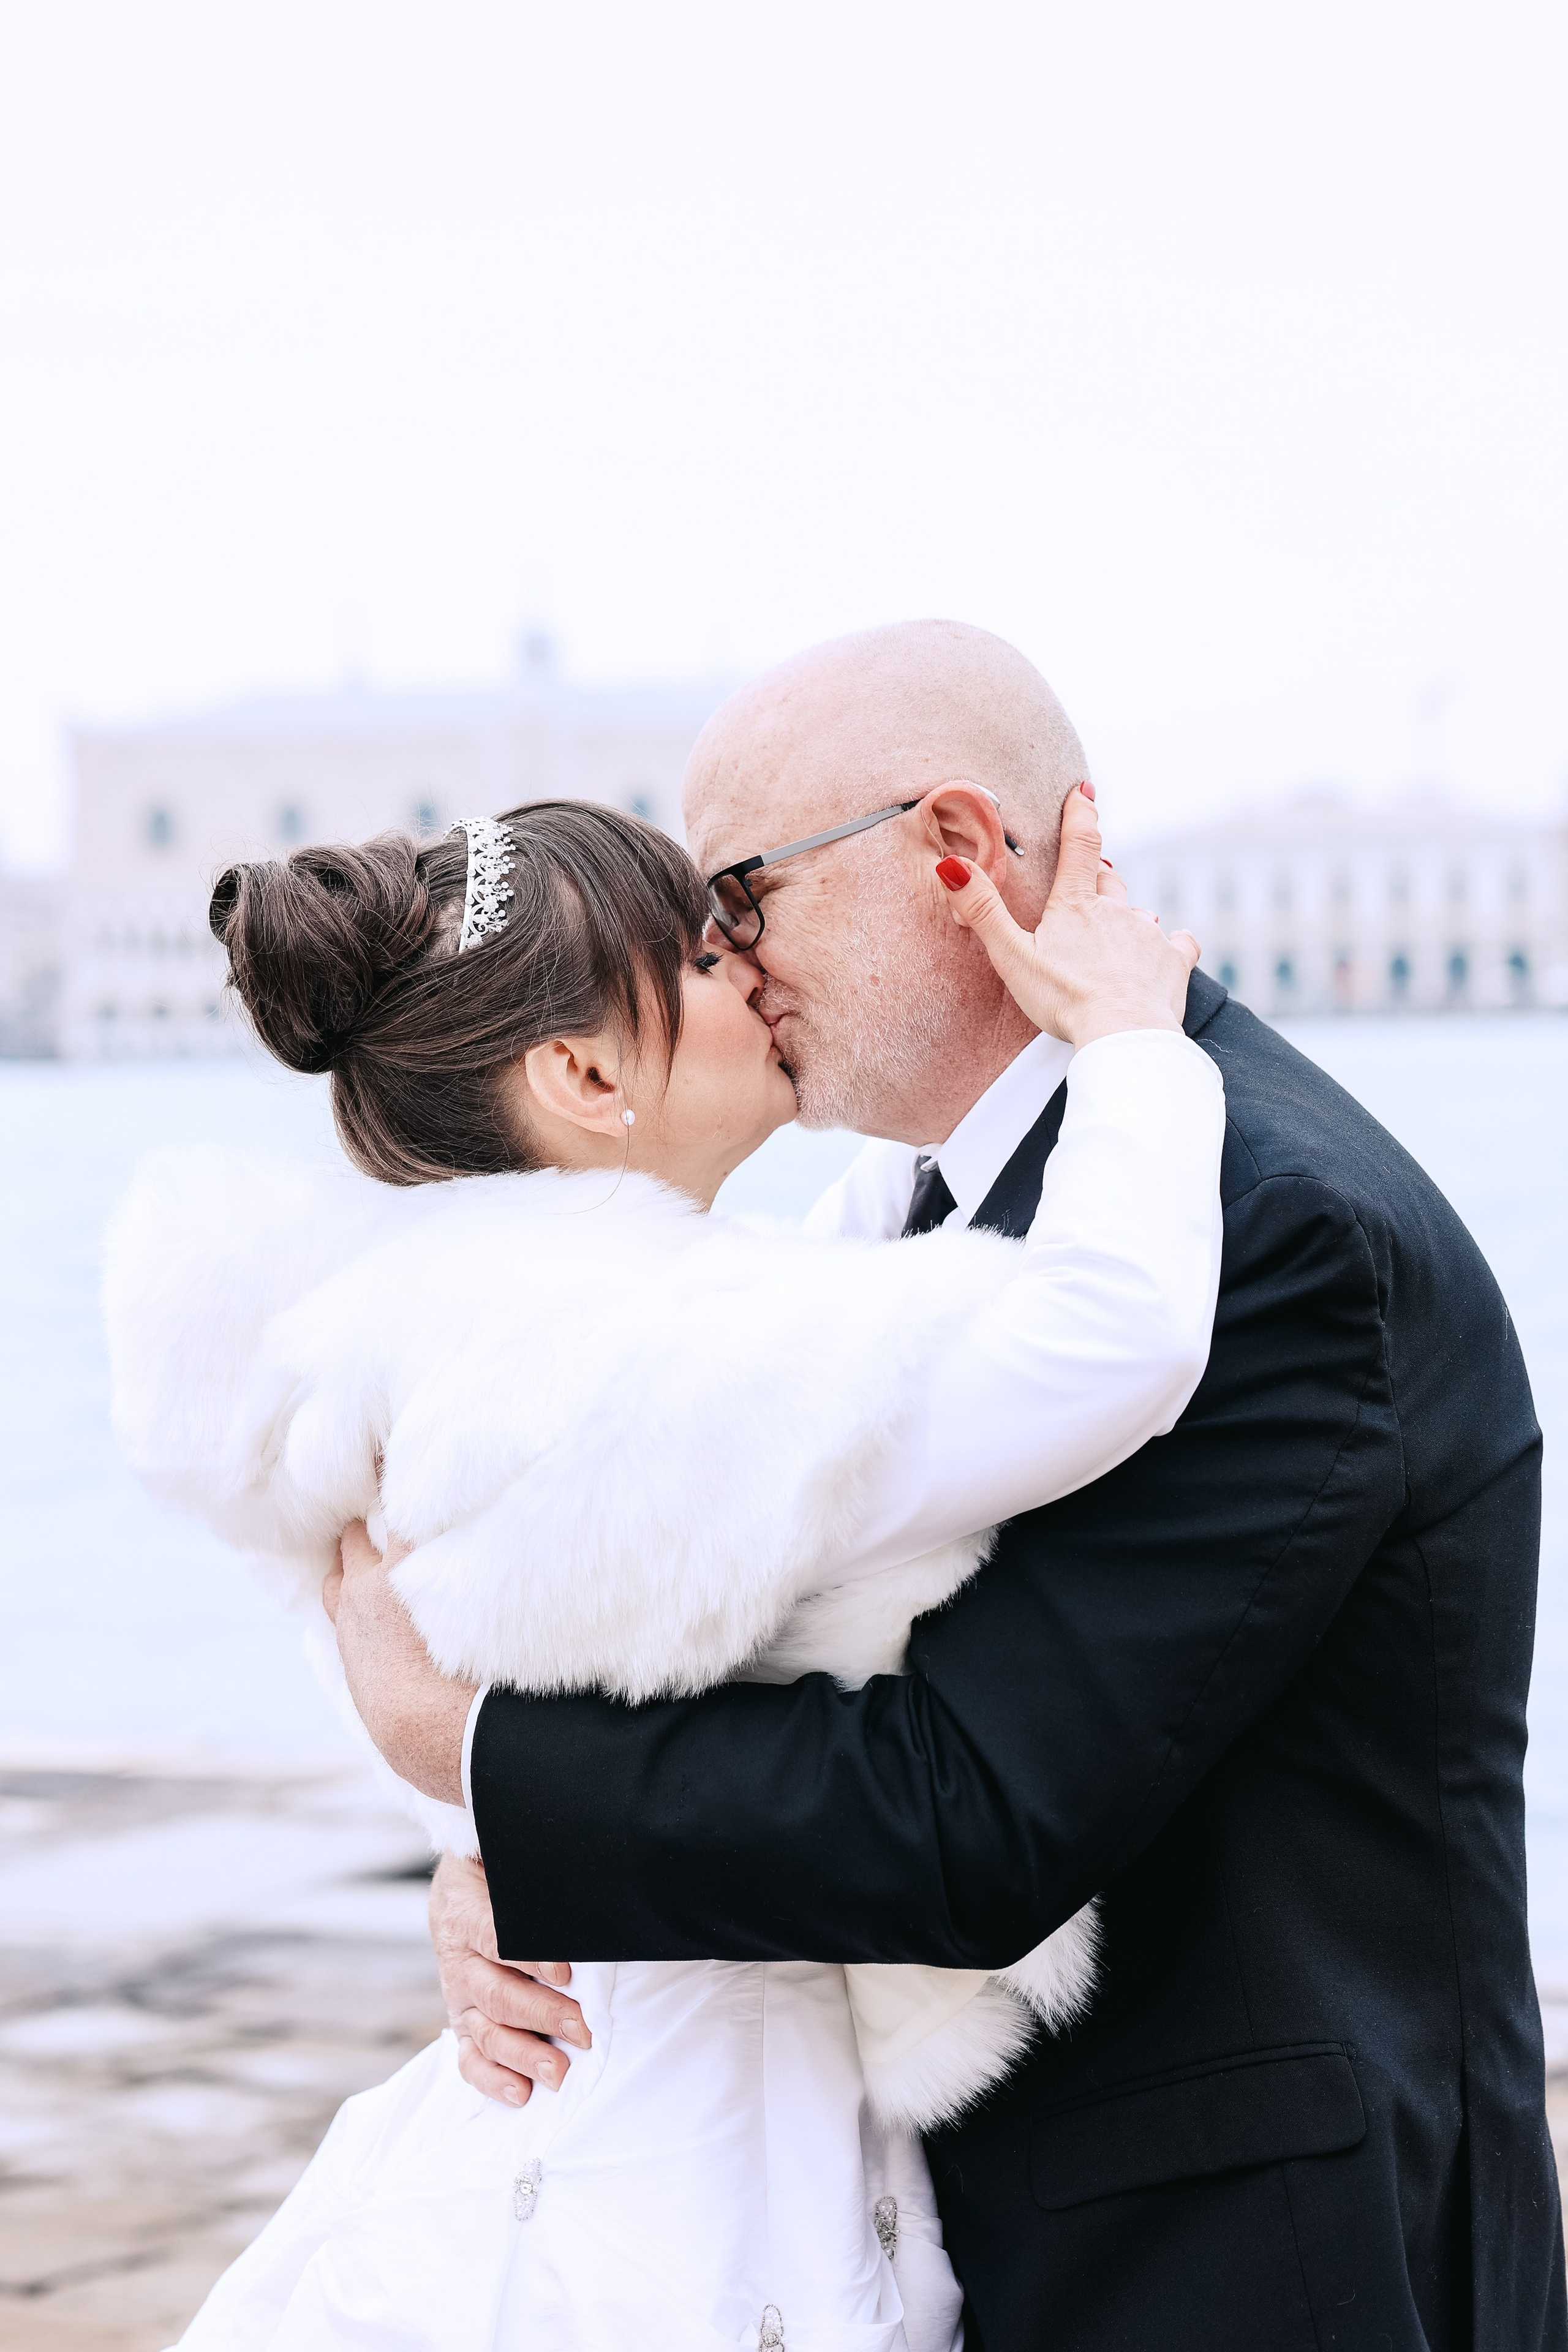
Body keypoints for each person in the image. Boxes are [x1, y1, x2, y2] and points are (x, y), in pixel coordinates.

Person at [346, 621, 1567, 2351]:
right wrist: (523, 1894)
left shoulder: (1262, 1223)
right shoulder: (943, 1211)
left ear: (956, 853)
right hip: (1025, 2239)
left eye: (741, 896)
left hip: (1253, 2262)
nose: (724, 956)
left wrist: (471, 1755)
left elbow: (965, 1813)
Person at [107, 779, 1226, 2350]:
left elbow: (860, 1265)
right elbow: (1106, 1340)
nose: (751, 971)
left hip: (586, 2090)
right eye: (700, 962)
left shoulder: (461, 1321)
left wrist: (476, 1844)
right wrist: (1128, 1048)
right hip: (687, 2171)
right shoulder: (652, 1370)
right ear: (578, 1071)